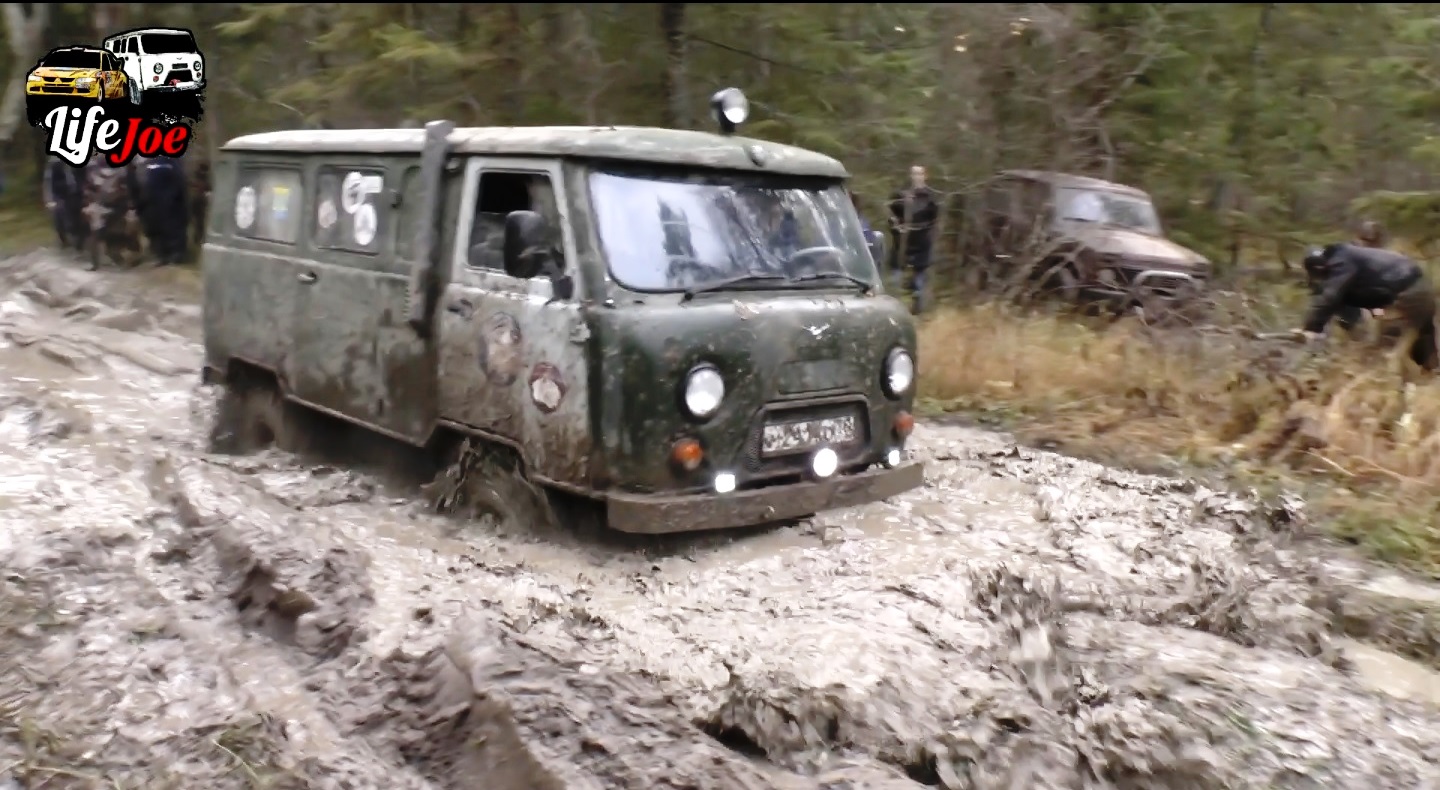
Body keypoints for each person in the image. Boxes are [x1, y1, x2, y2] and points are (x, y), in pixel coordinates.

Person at [1301, 243, 1437, 371]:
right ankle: (1418, 369)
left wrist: (1311, 328)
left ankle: (1397, 365)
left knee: (1401, 344)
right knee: (1402, 340)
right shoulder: (1349, 257)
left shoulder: (1342, 261)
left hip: (1411, 292)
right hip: (1410, 289)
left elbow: (1331, 296)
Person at [887, 165, 940, 313]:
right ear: (910, 176)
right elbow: (892, 217)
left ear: (925, 176)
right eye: (914, 173)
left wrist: (924, 231)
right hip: (902, 244)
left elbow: (933, 220)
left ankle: (918, 313)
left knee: (919, 284)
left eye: (919, 174)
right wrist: (896, 228)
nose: (916, 176)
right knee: (896, 280)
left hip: (921, 244)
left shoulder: (930, 198)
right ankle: (894, 310)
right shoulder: (900, 196)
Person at [136, 155, 189, 264]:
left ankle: (176, 254)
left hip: (171, 203)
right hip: (154, 203)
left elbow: (179, 180)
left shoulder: (171, 161)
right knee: (157, 229)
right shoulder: (149, 162)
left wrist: (172, 197)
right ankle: (162, 255)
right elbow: (145, 181)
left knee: (173, 228)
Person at [42, 159, 83, 250]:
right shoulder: (55, 163)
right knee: (60, 212)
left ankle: (78, 236)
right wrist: (49, 199)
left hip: (75, 192)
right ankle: (63, 237)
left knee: (78, 212)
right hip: (59, 194)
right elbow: (48, 183)